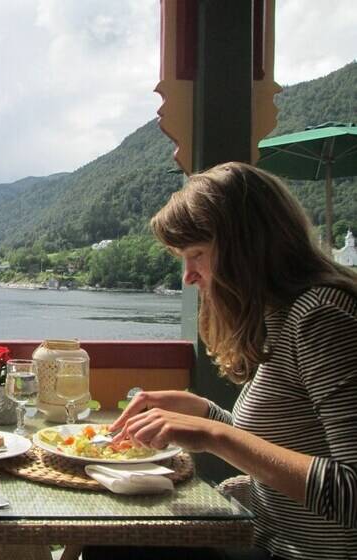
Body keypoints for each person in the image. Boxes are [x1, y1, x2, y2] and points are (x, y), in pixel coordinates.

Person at [101, 162, 357, 560]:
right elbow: (285, 441)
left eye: (196, 255)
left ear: (246, 246)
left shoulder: (323, 318)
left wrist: (211, 435)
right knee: (114, 536)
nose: (188, 276)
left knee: (116, 544)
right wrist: (205, 413)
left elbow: (351, 490)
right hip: (265, 539)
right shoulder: (281, 315)